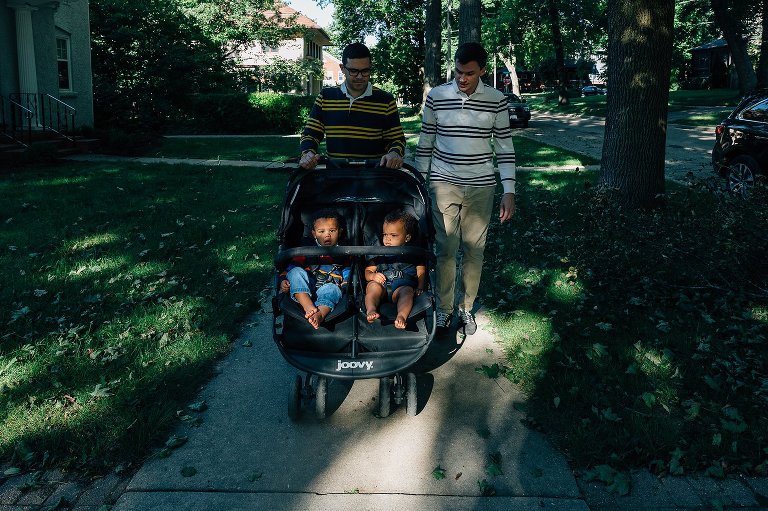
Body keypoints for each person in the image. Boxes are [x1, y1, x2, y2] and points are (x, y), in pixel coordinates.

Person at [414, 42, 516, 335]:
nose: (462, 78)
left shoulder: (496, 100)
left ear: (482, 71)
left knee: (475, 251)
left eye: (469, 73)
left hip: (481, 186)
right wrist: (419, 183)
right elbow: (425, 144)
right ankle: (444, 310)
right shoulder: (437, 97)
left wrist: (509, 190)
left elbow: (505, 148)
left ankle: (465, 309)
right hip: (444, 183)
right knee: (446, 248)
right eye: (458, 71)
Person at [299, 42, 405, 170]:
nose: (360, 76)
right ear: (342, 68)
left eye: (365, 71)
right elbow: (311, 134)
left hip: (374, 177)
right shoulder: (326, 97)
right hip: (336, 175)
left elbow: (396, 139)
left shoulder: (385, 100)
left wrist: (394, 153)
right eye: (354, 71)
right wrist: (308, 153)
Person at [280, 209, 351, 329]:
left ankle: (320, 313)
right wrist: (283, 279)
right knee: (296, 271)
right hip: (308, 283)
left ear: (339, 232)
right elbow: (293, 265)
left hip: (329, 284)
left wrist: (345, 286)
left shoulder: (344, 251)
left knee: (333, 290)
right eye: (321, 231)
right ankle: (307, 305)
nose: (327, 235)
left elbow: (348, 271)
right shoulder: (307, 249)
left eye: (332, 231)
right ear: (314, 234)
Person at [364, 210, 426, 329]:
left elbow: (421, 271)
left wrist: (420, 287)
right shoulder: (378, 252)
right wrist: (372, 276)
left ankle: (401, 315)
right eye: (385, 235)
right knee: (372, 287)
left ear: (407, 237)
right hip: (381, 286)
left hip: (401, 287)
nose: (387, 239)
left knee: (407, 293)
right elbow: (367, 272)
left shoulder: (412, 252)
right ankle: (371, 310)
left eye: (393, 235)